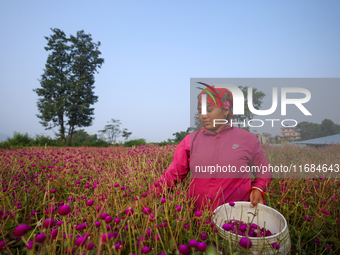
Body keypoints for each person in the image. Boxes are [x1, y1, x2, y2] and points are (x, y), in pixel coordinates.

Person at [120, 85, 272, 214]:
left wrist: (258, 188)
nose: (203, 116)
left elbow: (264, 171)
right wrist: (146, 199)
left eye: (210, 109)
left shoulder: (247, 139)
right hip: (198, 217)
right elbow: (172, 176)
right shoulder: (190, 141)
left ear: (226, 111)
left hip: (236, 217)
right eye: (200, 110)